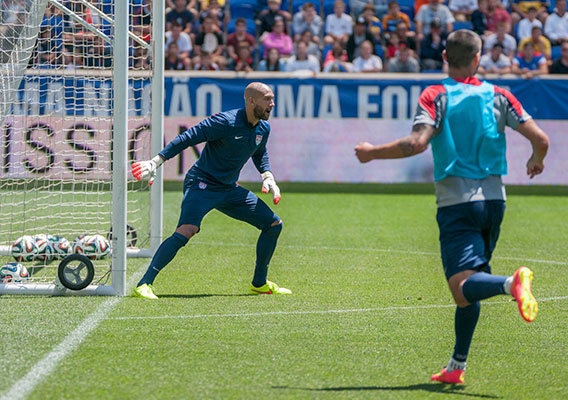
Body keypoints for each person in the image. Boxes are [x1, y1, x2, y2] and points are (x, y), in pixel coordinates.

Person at [355, 29, 548, 384]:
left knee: (462, 285)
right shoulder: (500, 94)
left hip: (457, 202)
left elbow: (417, 143)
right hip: (495, 201)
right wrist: (536, 159)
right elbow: (541, 139)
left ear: (445, 57)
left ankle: (512, 284)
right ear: (478, 58)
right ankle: (456, 367)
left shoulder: (436, 94)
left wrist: (371, 153)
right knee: (469, 288)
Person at [132, 82, 291, 299]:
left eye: (272, 99)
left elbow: (259, 151)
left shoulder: (263, 128)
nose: (272, 104)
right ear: (251, 101)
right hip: (202, 184)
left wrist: (267, 175)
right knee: (187, 229)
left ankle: (259, 283)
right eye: (267, 99)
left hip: (229, 188)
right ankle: (144, 284)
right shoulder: (225, 122)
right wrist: (156, 161)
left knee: (273, 225)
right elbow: (188, 137)